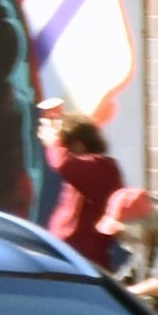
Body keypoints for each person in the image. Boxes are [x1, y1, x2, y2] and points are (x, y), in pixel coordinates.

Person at [41, 110, 125, 266]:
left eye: (65, 145)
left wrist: (53, 141)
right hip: (72, 254)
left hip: (82, 257)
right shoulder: (97, 167)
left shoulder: (99, 166)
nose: (64, 151)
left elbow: (62, 163)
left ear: (78, 144)